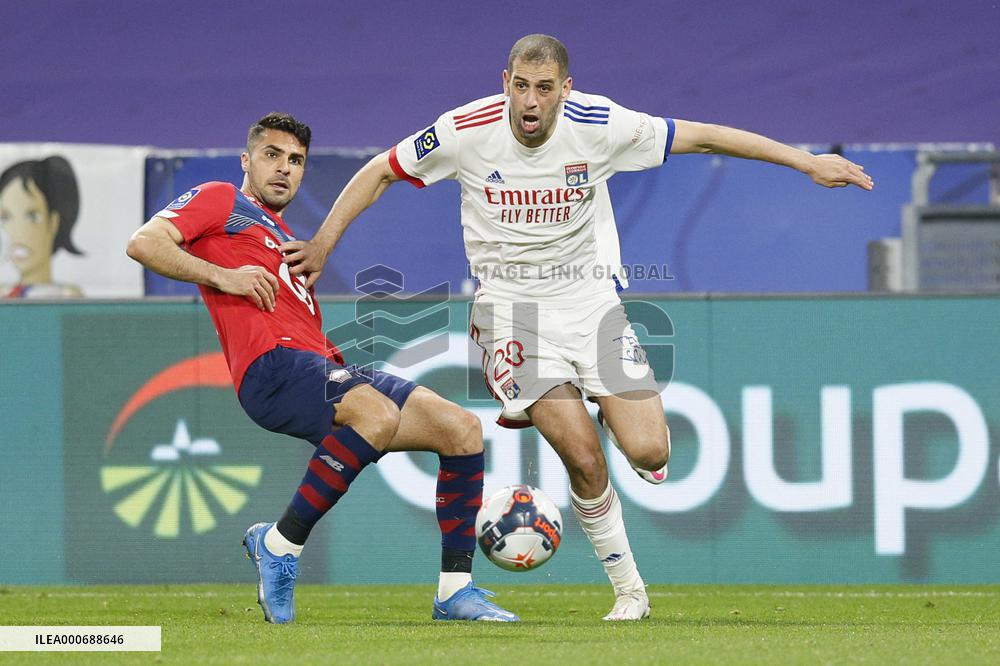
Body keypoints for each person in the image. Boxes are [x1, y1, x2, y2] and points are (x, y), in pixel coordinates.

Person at [280, 35, 874, 621]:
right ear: (504, 82)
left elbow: (707, 136)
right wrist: (324, 243)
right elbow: (380, 171)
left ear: (565, 90)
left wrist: (807, 162)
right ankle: (631, 592)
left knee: (647, 448)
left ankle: (607, 416)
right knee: (585, 460)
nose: (530, 102)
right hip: (513, 313)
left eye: (544, 89)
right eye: (520, 86)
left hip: (592, 306)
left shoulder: (600, 123)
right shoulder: (466, 129)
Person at [126, 112, 518, 624]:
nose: (284, 169)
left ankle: (455, 591)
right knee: (374, 415)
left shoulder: (285, 239)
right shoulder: (222, 199)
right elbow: (144, 243)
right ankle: (280, 544)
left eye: (296, 161)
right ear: (246, 160)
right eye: (272, 156)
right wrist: (225, 277)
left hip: (316, 364)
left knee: (461, 429)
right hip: (270, 367)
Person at [0, 156, 84, 297]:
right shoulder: (4, 294)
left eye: (32, 216)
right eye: (5, 217)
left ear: (54, 221)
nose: (17, 232)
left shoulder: (68, 295)